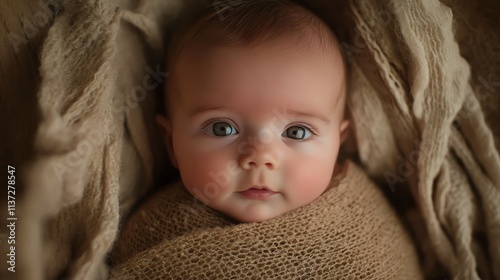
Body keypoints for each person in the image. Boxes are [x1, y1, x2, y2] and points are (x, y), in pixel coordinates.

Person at [156, 0, 350, 223]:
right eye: (222, 128)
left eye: (297, 132)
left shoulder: (357, 220)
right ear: (172, 144)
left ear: (338, 144)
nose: (260, 156)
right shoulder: (158, 222)